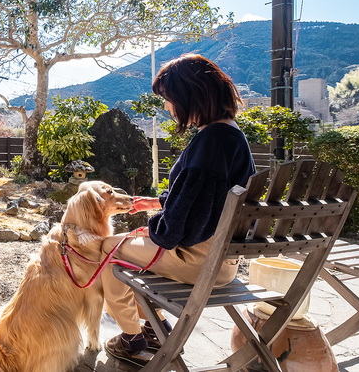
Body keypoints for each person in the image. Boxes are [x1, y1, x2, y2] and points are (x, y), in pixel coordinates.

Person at [101, 54, 256, 367]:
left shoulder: (208, 141)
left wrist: (154, 224)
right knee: (131, 241)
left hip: (198, 263)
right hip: (224, 263)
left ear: (190, 96)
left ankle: (134, 340)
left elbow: (172, 232)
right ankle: (153, 329)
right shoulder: (233, 136)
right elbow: (206, 200)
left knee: (107, 249)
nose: (168, 107)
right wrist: (159, 202)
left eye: (169, 99)